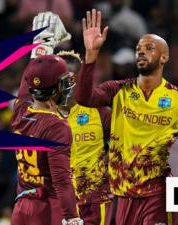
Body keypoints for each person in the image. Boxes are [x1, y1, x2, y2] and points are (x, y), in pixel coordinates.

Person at [76, 9, 178, 225]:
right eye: (138, 49)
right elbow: (84, 98)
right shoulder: (118, 90)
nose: (141, 52)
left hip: (159, 194)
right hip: (122, 194)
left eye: (149, 48)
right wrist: (90, 56)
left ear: (164, 57)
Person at [11, 54, 82, 225]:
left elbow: (26, 82)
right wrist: (72, 217)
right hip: (48, 209)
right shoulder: (56, 127)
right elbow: (61, 179)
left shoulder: (19, 110)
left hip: (21, 207)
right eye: (64, 80)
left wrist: (40, 45)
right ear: (57, 88)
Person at [57, 50, 113, 225]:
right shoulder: (44, 115)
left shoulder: (98, 111)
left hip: (95, 200)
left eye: (71, 77)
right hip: (59, 203)